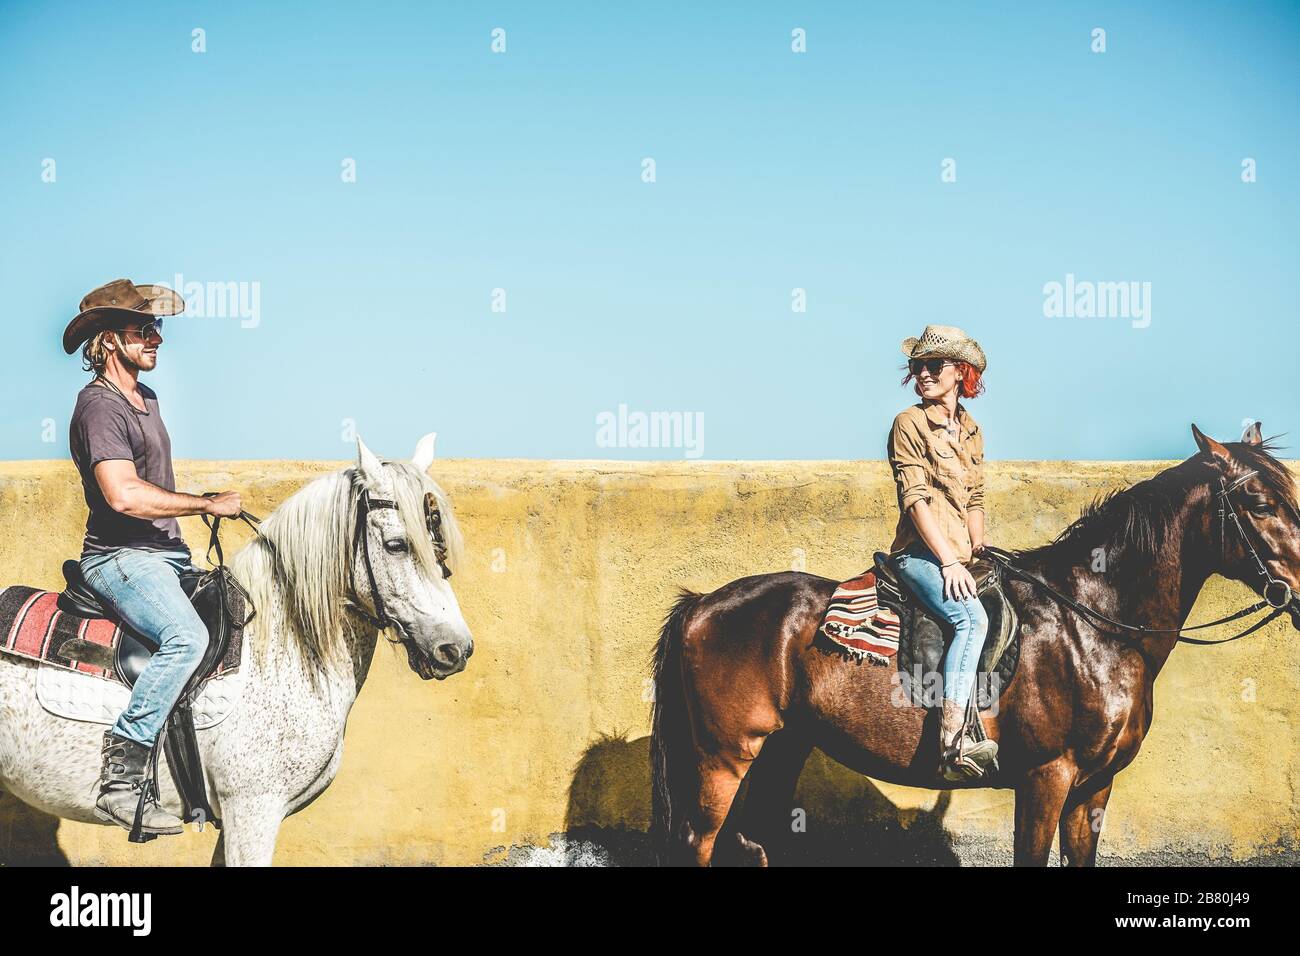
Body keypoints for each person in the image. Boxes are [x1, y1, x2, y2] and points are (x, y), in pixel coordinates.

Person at [62, 279, 243, 835]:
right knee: (188, 638)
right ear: (111, 340)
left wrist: (190, 511)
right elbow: (123, 494)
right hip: (121, 557)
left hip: (167, 554)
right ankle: (120, 779)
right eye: (145, 329)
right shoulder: (99, 404)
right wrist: (203, 504)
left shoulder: (149, 399)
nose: (156, 337)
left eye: (157, 327)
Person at [886, 324, 998, 781]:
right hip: (920, 554)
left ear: (960, 373)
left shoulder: (971, 431)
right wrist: (949, 562)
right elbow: (915, 499)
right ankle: (953, 742)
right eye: (919, 366)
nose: (924, 373)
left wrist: (978, 546)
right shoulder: (909, 424)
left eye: (935, 365)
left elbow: (974, 499)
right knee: (971, 619)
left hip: (960, 553)